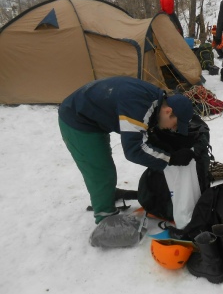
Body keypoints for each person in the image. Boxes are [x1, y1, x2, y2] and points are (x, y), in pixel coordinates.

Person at [58, 76, 196, 224]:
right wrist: (171, 159)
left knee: (103, 162)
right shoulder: (138, 106)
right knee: (101, 170)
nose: (173, 129)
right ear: (168, 111)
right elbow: (134, 150)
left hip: (94, 114)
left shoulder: (157, 99)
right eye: (175, 124)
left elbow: (145, 129)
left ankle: (107, 193)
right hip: (76, 119)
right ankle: (105, 217)